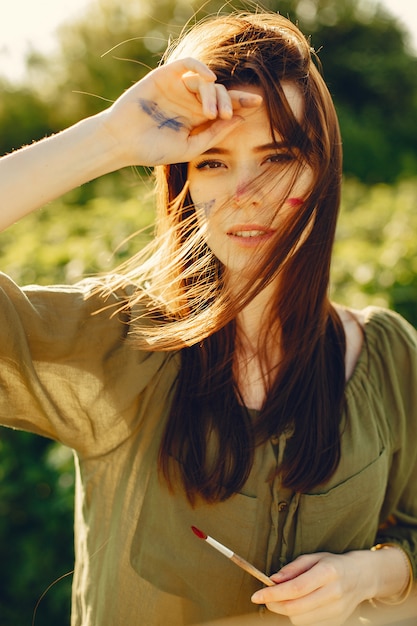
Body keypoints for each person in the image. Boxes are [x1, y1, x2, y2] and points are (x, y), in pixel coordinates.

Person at [0, 10, 416, 626]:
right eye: (214, 162)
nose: (245, 193)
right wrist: (111, 138)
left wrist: (369, 575)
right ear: (183, 183)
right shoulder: (116, 337)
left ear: (321, 170)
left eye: (276, 157)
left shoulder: (386, 353)